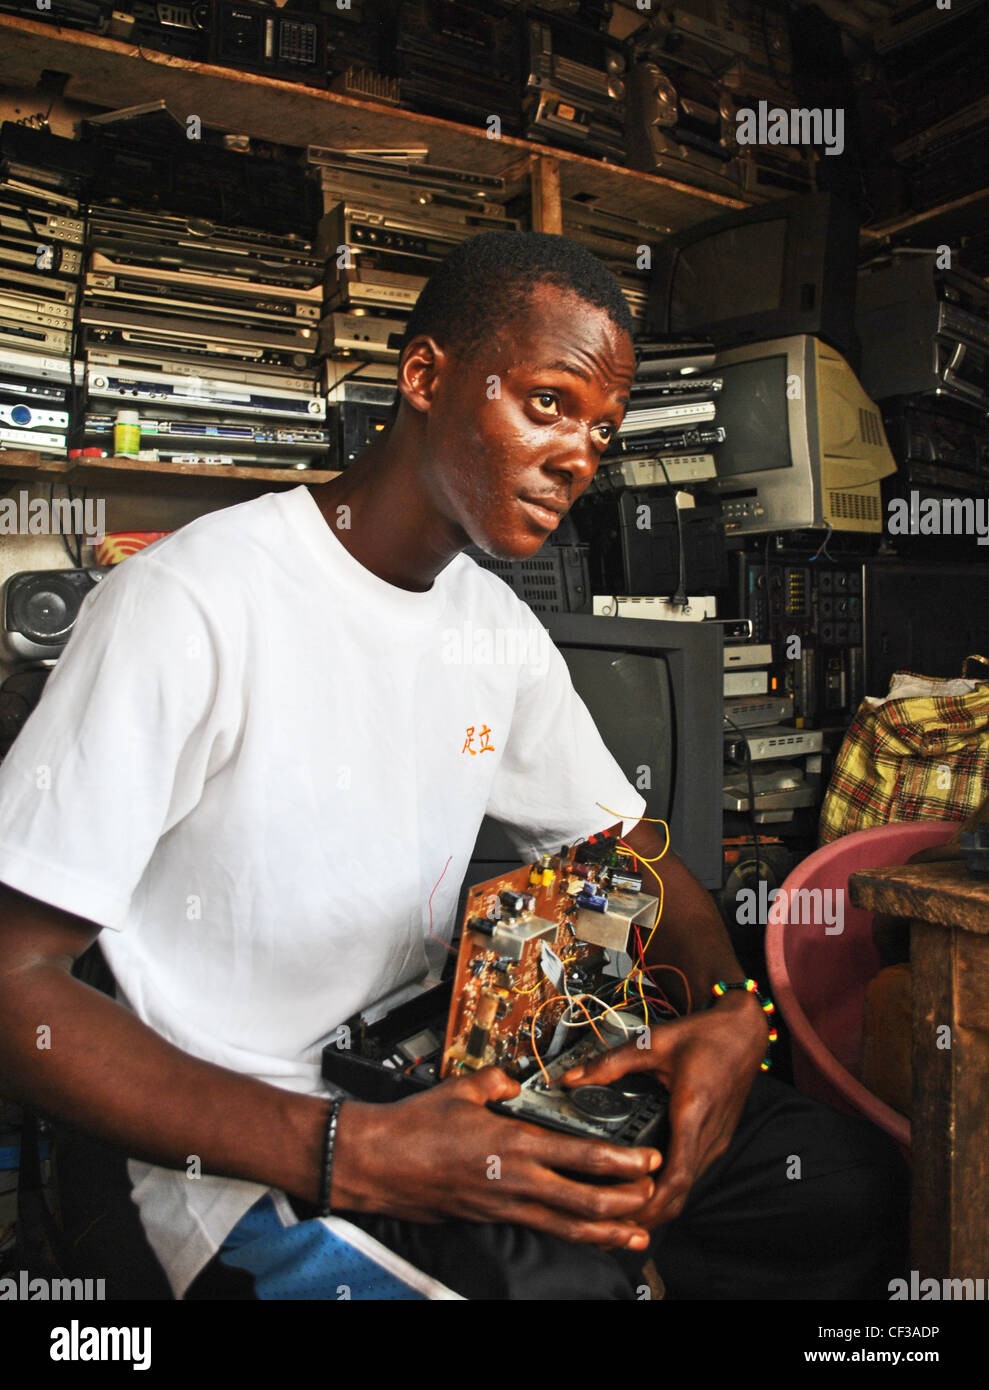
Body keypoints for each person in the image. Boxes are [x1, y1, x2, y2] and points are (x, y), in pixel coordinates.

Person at [0, 232, 906, 1300]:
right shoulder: (188, 604)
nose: (579, 455)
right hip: (246, 1146)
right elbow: (18, 984)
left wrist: (722, 1011)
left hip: (427, 1076)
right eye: (548, 403)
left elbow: (625, 853)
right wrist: (346, 1150)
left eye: (601, 429)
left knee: (844, 1184)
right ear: (424, 377)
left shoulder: (492, 626)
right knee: (565, 1285)